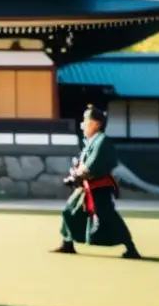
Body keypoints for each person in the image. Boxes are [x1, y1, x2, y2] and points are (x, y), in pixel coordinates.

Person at [53, 105, 142, 259]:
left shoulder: (102, 141)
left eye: (86, 121)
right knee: (70, 211)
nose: (83, 125)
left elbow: (92, 164)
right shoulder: (92, 141)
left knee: (108, 217)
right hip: (87, 187)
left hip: (99, 187)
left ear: (96, 124)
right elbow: (83, 163)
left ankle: (130, 247)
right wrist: (75, 172)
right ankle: (67, 243)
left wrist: (76, 176)